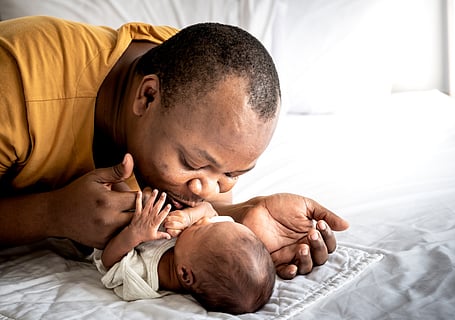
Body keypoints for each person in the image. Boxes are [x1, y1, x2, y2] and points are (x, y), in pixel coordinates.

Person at [0, 16, 349, 280]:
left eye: (231, 174)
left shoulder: (192, 85)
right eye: (192, 162)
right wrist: (51, 214)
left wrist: (240, 215)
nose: (206, 189)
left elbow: (204, 204)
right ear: (147, 96)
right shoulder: (15, 83)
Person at [92, 189, 276, 314]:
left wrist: (135, 234)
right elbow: (209, 210)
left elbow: (108, 261)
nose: (204, 222)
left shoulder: (146, 276)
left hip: (105, 220)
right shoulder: (210, 241)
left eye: (201, 229)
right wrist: (189, 217)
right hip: (146, 194)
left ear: (185, 274)